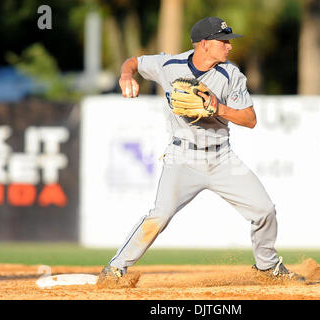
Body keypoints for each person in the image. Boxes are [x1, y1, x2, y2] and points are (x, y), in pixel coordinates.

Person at [97, 16, 304, 285]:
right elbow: (134, 62)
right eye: (224, 41)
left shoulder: (231, 75)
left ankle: (267, 266)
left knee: (264, 210)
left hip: (221, 158)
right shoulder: (169, 65)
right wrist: (126, 75)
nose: (229, 46)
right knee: (159, 215)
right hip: (182, 157)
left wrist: (219, 108)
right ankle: (115, 269)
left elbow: (250, 120)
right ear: (204, 44)